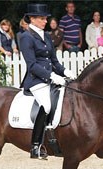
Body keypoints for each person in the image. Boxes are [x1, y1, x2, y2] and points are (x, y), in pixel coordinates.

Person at [20, 3, 75, 160]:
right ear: (32, 19)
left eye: (45, 18)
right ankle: (35, 146)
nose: (45, 21)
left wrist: (64, 72)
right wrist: (51, 76)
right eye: (42, 18)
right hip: (36, 80)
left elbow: (54, 61)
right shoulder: (26, 37)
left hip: (50, 78)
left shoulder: (47, 36)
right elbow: (32, 65)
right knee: (46, 104)